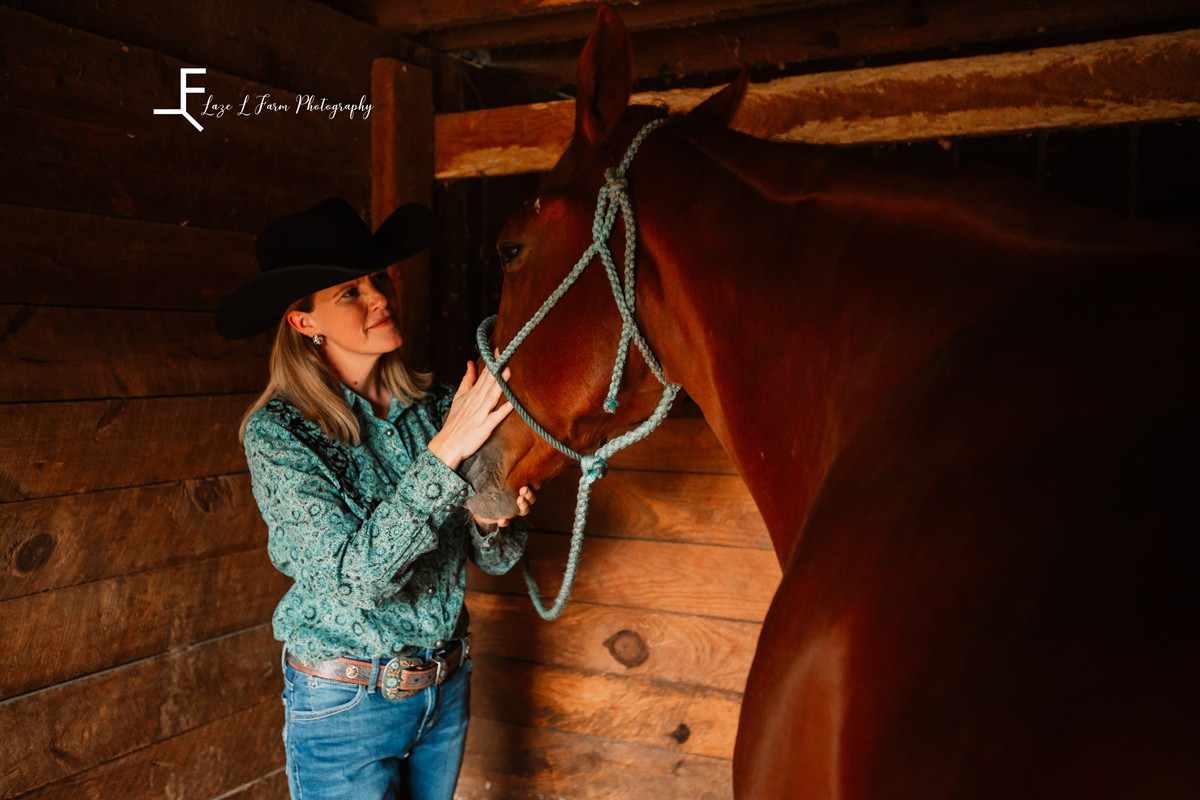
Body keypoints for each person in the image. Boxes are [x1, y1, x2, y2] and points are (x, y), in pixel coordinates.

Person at [216, 197, 534, 800]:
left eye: (378, 280)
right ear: (303, 323)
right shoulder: (283, 436)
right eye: (350, 293)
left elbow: (495, 558)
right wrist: (446, 454)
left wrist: (495, 516)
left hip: (445, 687)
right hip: (345, 703)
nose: (381, 297)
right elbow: (356, 580)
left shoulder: (439, 407)